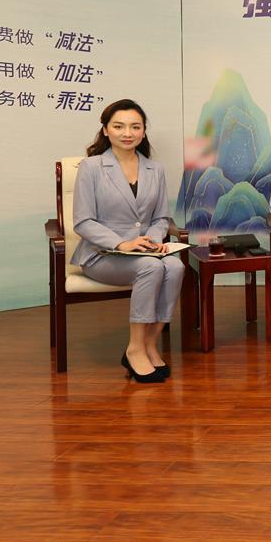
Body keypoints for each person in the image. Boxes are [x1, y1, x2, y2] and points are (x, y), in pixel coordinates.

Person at [71, 99, 184, 384]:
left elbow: (160, 217)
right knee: (151, 268)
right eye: (118, 126)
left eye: (135, 127)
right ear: (105, 130)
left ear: (143, 131)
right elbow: (83, 221)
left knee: (176, 267)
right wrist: (122, 244)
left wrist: (153, 241)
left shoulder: (154, 169)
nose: (127, 133)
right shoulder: (91, 167)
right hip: (101, 255)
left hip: (144, 252)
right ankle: (134, 349)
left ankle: (150, 344)